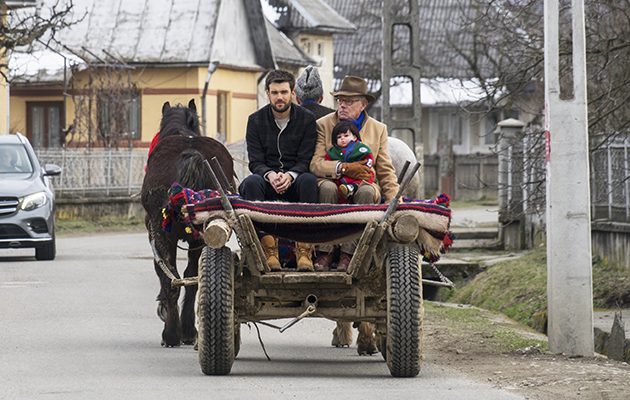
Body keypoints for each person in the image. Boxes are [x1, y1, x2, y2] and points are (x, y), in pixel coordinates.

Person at [310, 75, 399, 271]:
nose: (342, 106)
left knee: (367, 192)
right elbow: (316, 164)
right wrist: (343, 168)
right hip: (331, 180)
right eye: (340, 100)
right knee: (326, 188)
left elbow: (385, 170)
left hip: (364, 183)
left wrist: (395, 201)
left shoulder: (378, 129)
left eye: (349, 102)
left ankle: (348, 254)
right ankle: (325, 252)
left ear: (363, 104)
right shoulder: (323, 124)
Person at [238, 69, 318, 272]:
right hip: (268, 180)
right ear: (267, 93)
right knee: (251, 182)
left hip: (296, 180)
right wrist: (271, 175)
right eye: (275, 93)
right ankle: (268, 250)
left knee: (309, 181)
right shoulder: (255, 120)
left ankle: (304, 250)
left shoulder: (307, 119)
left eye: (284, 92)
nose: (279, 97)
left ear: (292, 93)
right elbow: (255, 161)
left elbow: (305, 158)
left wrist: (290, 176)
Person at [325, 120, 375, 201]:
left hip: (360, 175)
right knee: (334, 186)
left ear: (354, 137)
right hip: (341, 178)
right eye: (339, 137)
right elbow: (327, 162)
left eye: (346, 135)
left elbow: (369, 158)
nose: (342, 139)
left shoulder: (360, 148)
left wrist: (366, 167)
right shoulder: (333, 151)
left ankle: (352, 188)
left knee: (365, 181)